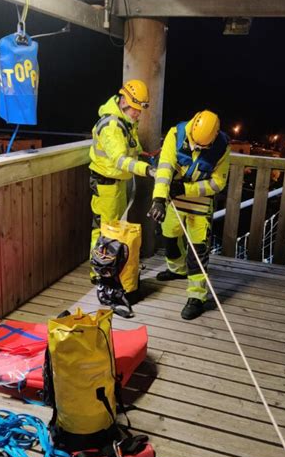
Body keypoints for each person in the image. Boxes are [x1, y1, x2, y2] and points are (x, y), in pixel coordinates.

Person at [148, 110, 230, 320]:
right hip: (174, 197)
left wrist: (187, 190)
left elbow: (218, 182)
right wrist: (159, 198)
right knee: (170, 237)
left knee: (198, 250)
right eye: (195, 144)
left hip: (199, 201)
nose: (197, 149)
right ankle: (177, 270)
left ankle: (197, 297)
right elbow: (165, 168)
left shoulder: (222, 147)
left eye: (203, 147)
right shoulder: (175, 134)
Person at [89, 79, 156, 280]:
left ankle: (108, 265)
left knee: (112, 227)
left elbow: (128, 147)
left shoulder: (124, 121)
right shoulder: (111, 125)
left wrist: (141, 152)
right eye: (135, 108)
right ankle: (98, 271)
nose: (138, 113)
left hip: (115, 183)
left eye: (140, 109)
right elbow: (119, 160)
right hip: (106, 183)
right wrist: (147, 169)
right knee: (103, 229)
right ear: (124, 100)